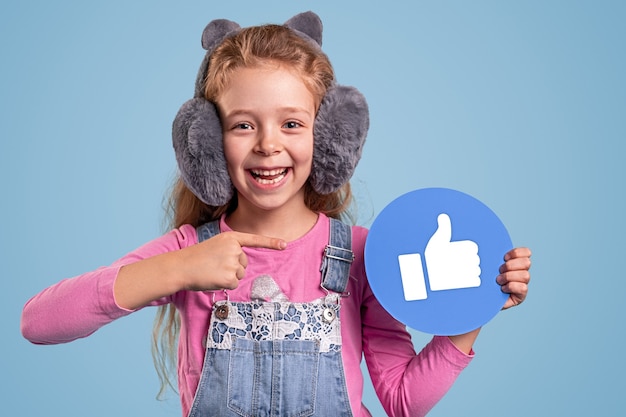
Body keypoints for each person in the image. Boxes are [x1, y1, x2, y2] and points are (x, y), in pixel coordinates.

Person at [21, 11, 532, 417]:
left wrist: (475, 310)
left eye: (292, 123)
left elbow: (403, 401)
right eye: (243, 125)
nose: (268, 145)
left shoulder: (360, 254)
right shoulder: (186, 252)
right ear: (207, 141)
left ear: (328, 136)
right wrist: (179, 270)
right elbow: (38, 322)